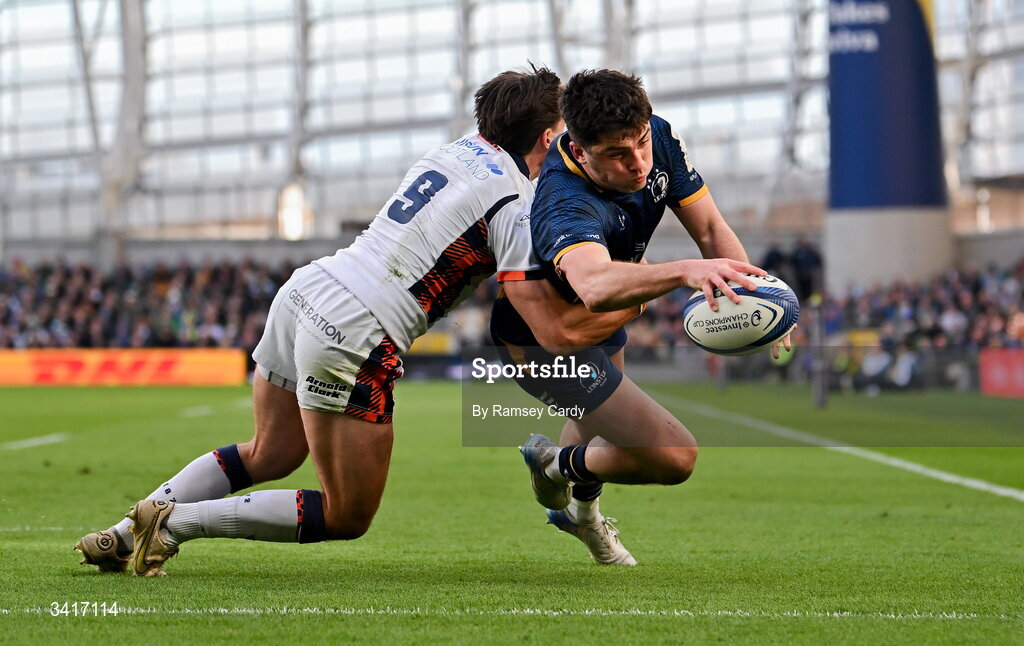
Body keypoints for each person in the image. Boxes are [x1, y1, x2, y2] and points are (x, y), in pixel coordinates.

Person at [74, 66, 637, 577]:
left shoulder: (455, 151)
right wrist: (631, 296)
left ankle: (123, 533)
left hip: (306, 291)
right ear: (547, 137)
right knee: (346, 512)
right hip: (358, 327)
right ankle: (171, 525)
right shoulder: (517, 203)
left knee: (267, 452)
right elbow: (542, 322)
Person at [491, 69, 790, 565]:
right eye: (618, 154)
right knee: (676, 457)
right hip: (545, 344)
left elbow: (712, 229)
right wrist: (681, 273)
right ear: (581, 151)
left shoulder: (658, 135)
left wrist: (760, 299)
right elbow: (595, 285)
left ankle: (582, 518)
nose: (639, 163)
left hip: (610, 320)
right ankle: (551, 467)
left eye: (642, 143)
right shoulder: (562, 202)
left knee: (597, 432)